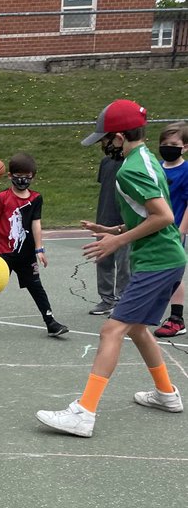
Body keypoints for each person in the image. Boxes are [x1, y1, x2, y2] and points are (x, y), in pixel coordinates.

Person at [37, 98, 186, 438]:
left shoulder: (131, 169)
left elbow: (164, 216)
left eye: (105, 138)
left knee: (111, 330)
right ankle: (166, 394)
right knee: (137, 329)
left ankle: (84, 413)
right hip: (165, 260)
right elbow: (149, 214)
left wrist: (118, 241)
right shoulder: (146, 158)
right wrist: (113, 229)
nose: (103, 145)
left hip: (157, 263)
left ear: (119, 138)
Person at [0, 152, 69, 339]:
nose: (23, 180)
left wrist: (39, 248)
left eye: (27, 176)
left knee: (36, 287)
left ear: (33, 177)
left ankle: (51, 323)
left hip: (26, 253)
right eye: (18, 176)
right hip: (2, 253)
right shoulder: (2, 197)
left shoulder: (36, 198)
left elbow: (36, 224)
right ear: (10, 176)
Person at [87, 134, 131, 316]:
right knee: (103, 261)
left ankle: (123, 300)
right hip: (104, 218)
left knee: (124, 264)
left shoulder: (130, 164)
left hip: (124, 221)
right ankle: (107, 299)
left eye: (105, 141)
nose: (103, 145)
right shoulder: (105, 163)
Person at [153, 122, 188, 338]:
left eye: (174, 144)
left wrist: (181, 231)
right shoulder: (156, 167)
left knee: (173, 275)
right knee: (152, 270)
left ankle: (177, 319)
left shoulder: (186, 171)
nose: (168, 147)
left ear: (185, 146)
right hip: (154, 229)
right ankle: (148, 311)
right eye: (164, 143)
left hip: (173, 230)